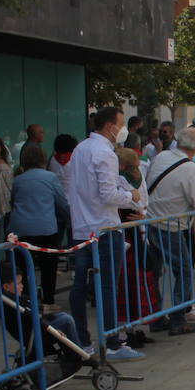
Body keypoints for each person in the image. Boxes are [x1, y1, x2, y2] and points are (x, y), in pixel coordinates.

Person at [66, 106, 144, 361]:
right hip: (103, 227)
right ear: (110, 127)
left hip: (82, 227)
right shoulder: (104, 153)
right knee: (108, 285)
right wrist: (132, 197)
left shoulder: (80, 149)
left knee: (81, 286)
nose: (121, 131)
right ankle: (111, 341)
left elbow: (73, 188)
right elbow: (108, 194)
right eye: (120, 125)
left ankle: (81, 340)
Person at [146, 126, 195, 337]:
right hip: (171, 226)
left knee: (154, 273)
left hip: (150, 222)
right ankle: (177, 320)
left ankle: (156, 317)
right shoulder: (192, 169)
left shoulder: (162, 157)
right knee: (182, 270)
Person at [8, 144, 69, 307]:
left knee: (24, 267)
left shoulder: (18, 180)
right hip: (45, 227)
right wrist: (70, 220)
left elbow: (13, 202)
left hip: (21, 228)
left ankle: (27, 300)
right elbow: (62, 203)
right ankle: (48, 300)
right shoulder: (50, 177)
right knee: (49, 266)